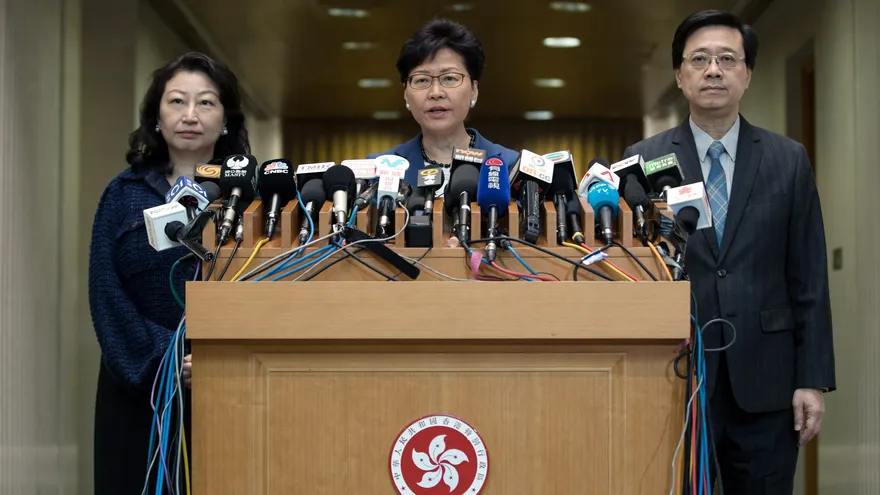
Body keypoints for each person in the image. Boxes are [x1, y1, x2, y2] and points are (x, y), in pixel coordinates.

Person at [622, 10, 834, 494]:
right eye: (699, 59)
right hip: (674, 380)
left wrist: (812, 380)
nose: (712, 69)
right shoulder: (641, 161)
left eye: (726, 59)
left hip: (768, 380)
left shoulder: (787, 159)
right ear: (679, 75)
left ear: (746, 73)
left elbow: (809, 276)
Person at [88, 51, 250, 494]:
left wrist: (220, 359)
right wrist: (167, 359)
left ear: (226, 120)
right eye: (177, 102)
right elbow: (105, 292)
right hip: (137, 387)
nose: (190, 115)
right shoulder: (123, 195)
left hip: (227, 387)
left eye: (206, 103)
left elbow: (269, 289)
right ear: (157, 116)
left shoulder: (254, 200)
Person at [368, 18, 519, 193]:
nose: (435, 92)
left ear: (474, 90)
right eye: (422, 80)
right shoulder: (377, 170)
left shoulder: (511, 168)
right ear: (406, 94)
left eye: (449, 78)